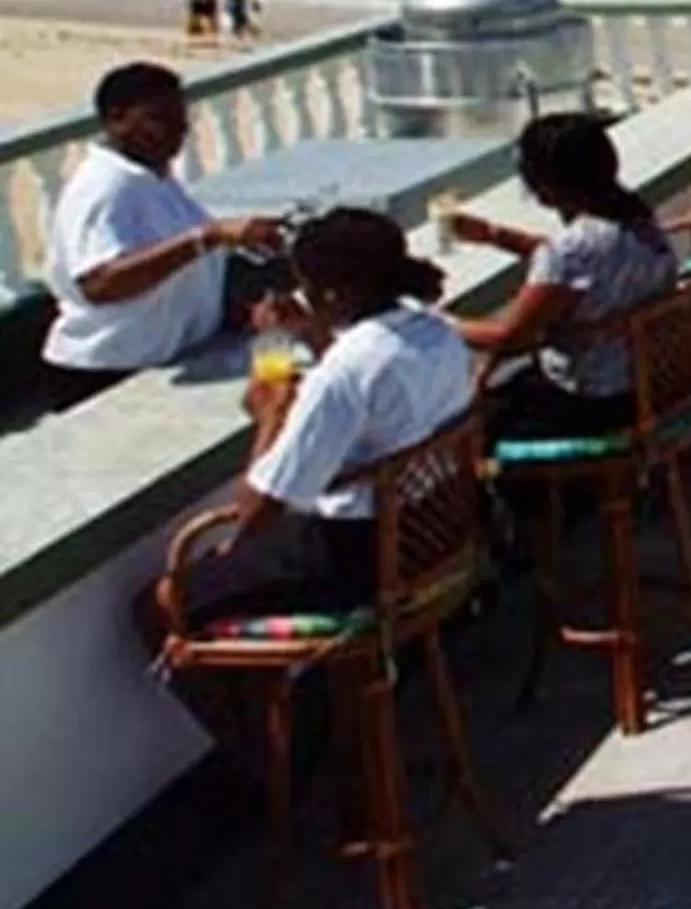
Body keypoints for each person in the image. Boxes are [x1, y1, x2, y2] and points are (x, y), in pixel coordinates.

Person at [144, 210, 473, 647]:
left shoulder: (343, 374)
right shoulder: (436, 330)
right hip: (435, 536)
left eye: (308, 286)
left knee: (166, 601)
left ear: (334, 293)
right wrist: (313, 335)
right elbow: (374, 378)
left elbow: (255, 515)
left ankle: (258, 716)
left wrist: (271, 412)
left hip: (361, 561)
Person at [42, 64, 286, 410]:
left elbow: (174, 275)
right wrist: (208, 237)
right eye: (160, 121)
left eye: (180, 123)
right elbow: (99, 283)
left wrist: (240, 313)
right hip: (106, 371)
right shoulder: (104, 186)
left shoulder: (154, 179)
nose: (176, 134)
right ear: (117, 119)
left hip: (164, 360)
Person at [447, 112, 679, 439]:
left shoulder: (572, 250)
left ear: (544, 186)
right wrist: (494, 235)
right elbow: (574, 264)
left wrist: (439, 322)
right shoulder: (636, 218)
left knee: (473, 422)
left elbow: (506, 336)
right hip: (651, 385)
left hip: (595, 403)